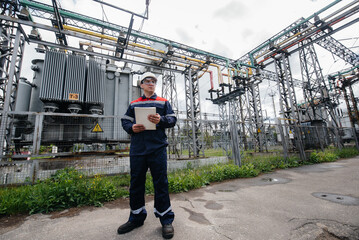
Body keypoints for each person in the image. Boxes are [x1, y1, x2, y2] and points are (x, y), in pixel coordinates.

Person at [119, 72, 176, 239]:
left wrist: (161, 120)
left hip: (157, 148)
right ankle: (136, 217)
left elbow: (172, 119)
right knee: (136, 183)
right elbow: (125, 121)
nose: (151, 83)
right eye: (147, 81)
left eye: (153, 81)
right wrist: (132, 128)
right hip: (138, 149)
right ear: (141, 85)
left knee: (161, 183)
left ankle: (166, 219)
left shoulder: (164, 102)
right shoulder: (134, 103)